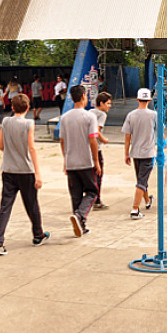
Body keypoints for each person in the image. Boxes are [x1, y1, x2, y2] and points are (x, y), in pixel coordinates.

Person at [0, 94, 50, 255]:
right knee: (31, 204)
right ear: (28, 108)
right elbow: (32, 148)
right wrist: (38, 173)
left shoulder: (6, 122)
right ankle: (38, 235)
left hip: (8, 170)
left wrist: (12, 152)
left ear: (12, 107)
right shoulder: (29, 123)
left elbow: (1, 146)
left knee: (5, 206)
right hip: (25, 170)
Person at [59, 84, 101, 237]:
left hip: (71, 162)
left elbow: (62, 141)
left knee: (75, 194)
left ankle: (80, 226)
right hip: (85, 162)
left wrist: (65, 160)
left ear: (71, 97)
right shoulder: (90, 117)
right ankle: (79, 216)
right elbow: (92, 140)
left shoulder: (65, 117)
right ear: (84, 96)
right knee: (92, 192)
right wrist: (96, 161)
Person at [122, 88, 157, 219]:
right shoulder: (154, 115)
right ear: (149, 100)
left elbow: (127, 137)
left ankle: (147, 200)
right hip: (148, 153)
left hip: (135, 153)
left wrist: (126, 154)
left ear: (137, 99)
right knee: (142, 181)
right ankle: (135, 209)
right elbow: (160, 132)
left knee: (141, 180)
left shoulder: (131, 115)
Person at [90, 92, 112, 209]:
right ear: (101, 103)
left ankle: (89, 198)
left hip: (86, 149)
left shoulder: (90, 112)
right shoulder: (102, 115)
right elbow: (96, 131)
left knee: (90, 175)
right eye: (108, 103)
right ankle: (96, 200)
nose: (109, 106)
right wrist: (104, 140)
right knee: (98, 174)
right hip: (96, 149)